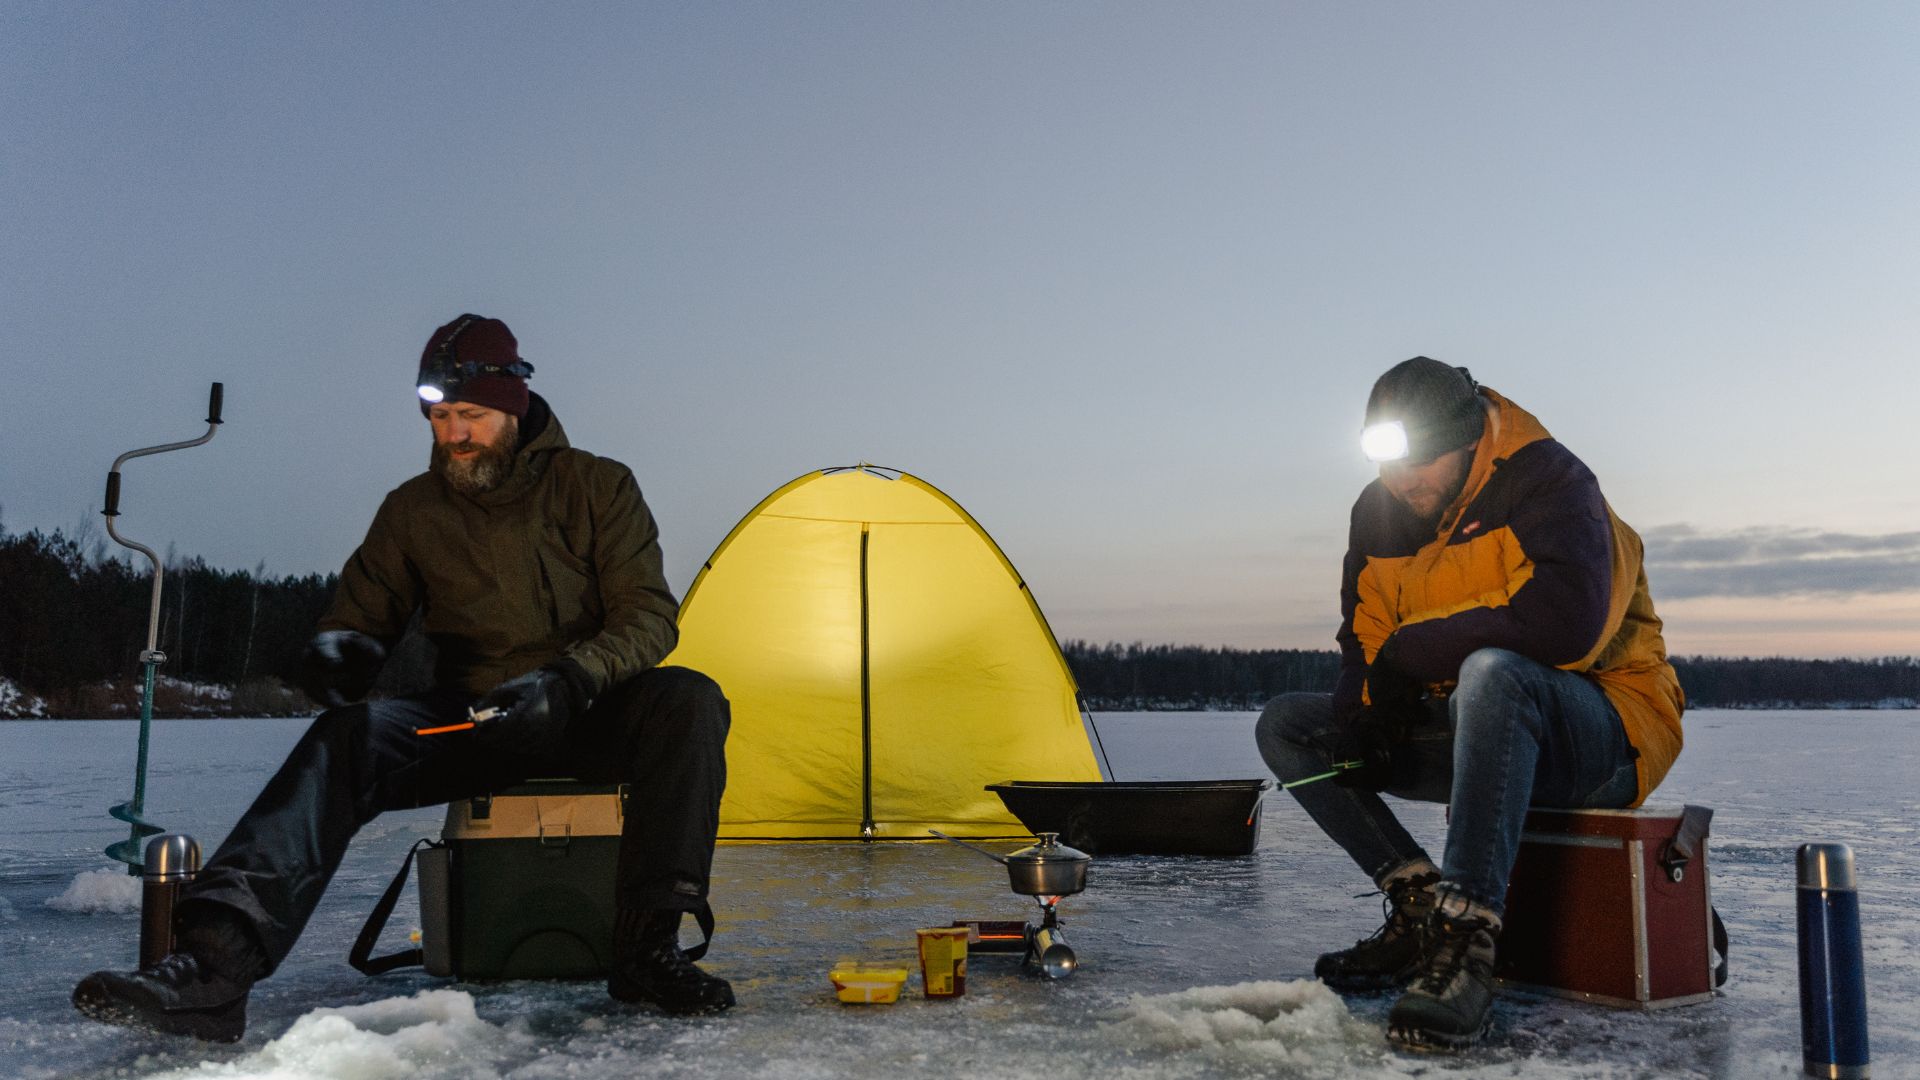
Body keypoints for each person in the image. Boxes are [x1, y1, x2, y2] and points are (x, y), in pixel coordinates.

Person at [74, 314, 735, 1042]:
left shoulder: (598, 487)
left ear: (513, 408)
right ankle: (212, 970)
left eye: (472, 416)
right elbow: (364, 611)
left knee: (690, 701)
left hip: (584, 705)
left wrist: (572, 678)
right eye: (441, 416)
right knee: (344, 740)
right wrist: (341, 648)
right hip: (473, 721)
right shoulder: (412, 510)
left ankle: (647, 950)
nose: (454, 434)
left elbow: (648, 617)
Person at [1256, 357, 1683, 1052]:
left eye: (1424, 462)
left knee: (1493, 673)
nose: (1404, 480)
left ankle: (1468, 935)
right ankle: (1419, 902)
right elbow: (1365, 632)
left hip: (1605, 731)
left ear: (1470, 441)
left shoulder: (1550, 481)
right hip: (1481, 728)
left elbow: (1565, 626)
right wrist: (1367, 711)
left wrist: (1409, 659)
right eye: (1392, 461)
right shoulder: (1380, 510)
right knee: (1289, 726)